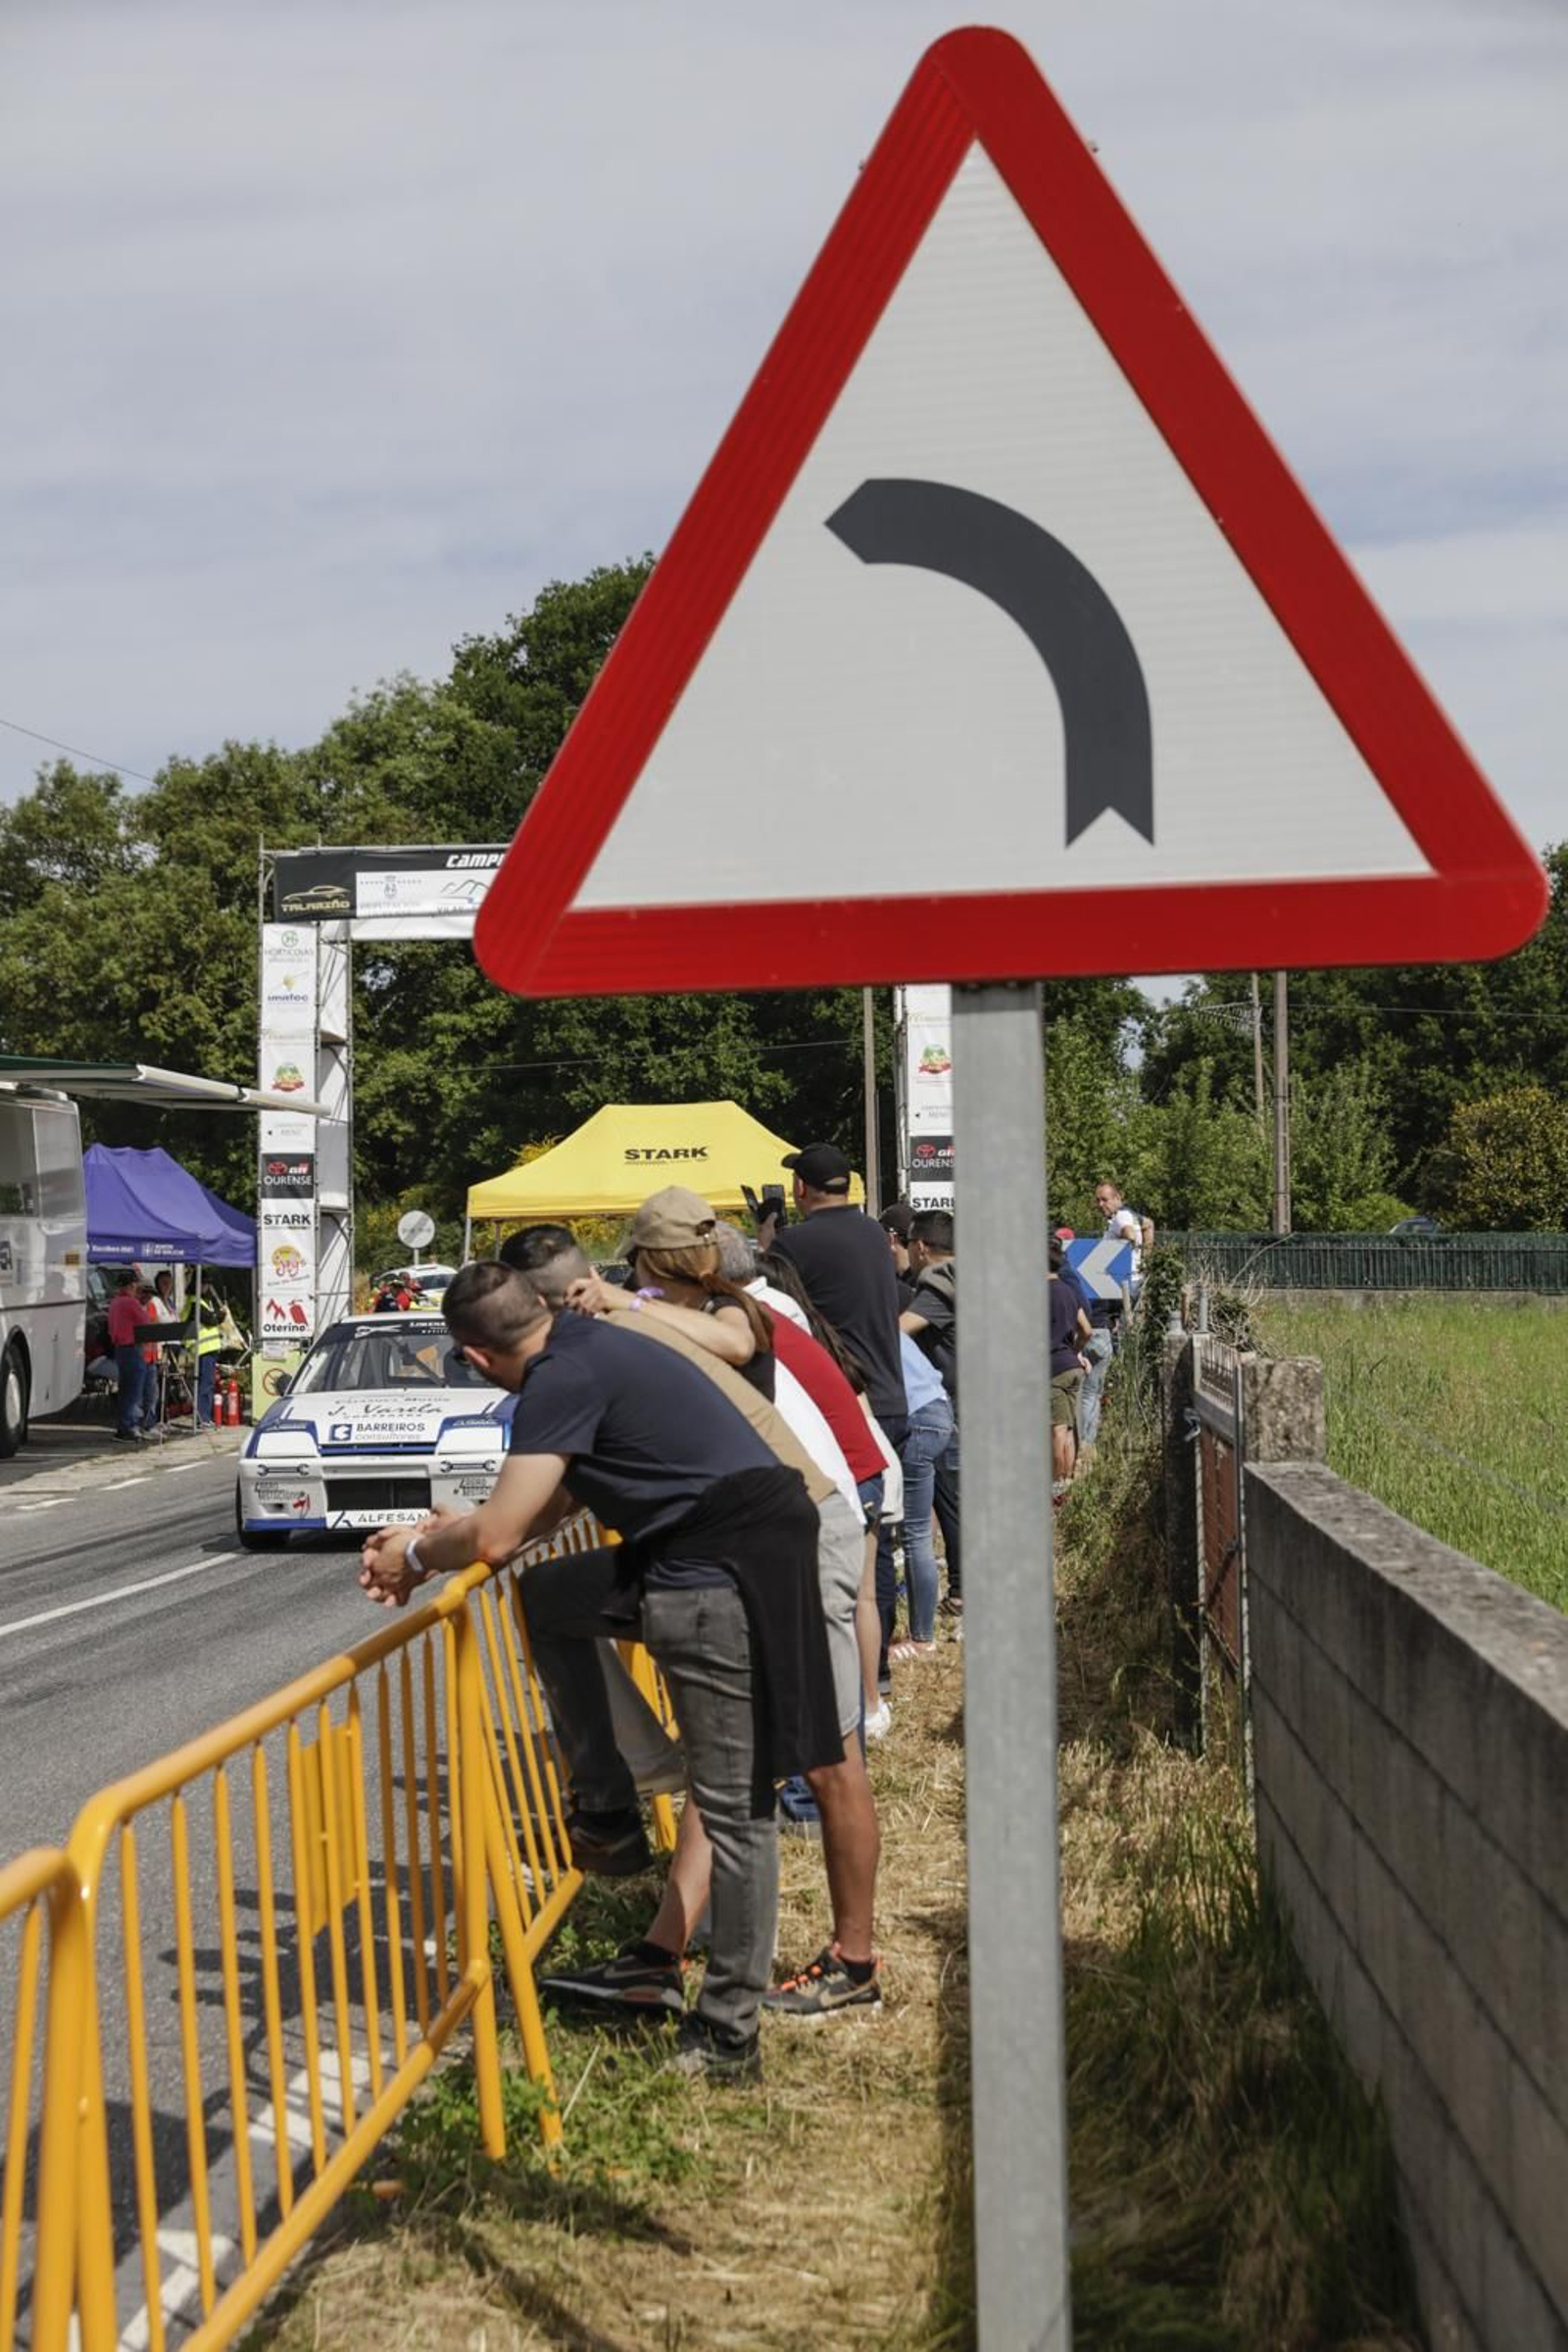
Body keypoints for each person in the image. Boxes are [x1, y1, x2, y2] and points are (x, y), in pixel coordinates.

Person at [361, 1258, 844, 2082]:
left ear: (476, 1359)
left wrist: (414, 1552)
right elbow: (543, 1508)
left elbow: (500, 1537)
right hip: (734, 1537)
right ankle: (611, 1805)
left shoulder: (559, 1378)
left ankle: (729, 2032)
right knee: (551, 1596)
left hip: (719, 1569)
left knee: (733, 1807)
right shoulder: (589, 1342)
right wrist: (462, 1531)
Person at [503, 1222, 885, 2025]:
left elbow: (733, 1341)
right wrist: (486, 1530)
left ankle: (853, 1962)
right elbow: (564, 1489)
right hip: (751, 1539)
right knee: (728, 1754)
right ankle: (658, 1953)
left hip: (796, 1535)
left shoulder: (659, 1323)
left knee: (827, 1759)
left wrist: (475, 1535)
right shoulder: (622, 1334)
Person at [900, 1210, 961, 1618]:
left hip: (958, 1403)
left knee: (954, 1499)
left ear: (920, 1246)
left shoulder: (940, 1286)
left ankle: (963, 1590)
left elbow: (895, 1331)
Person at [1054, 1227, 1114, 1461]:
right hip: (1099, 1332)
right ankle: (1088, 1447)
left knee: (1071, 1398)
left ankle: (1072, 1454)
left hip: (1072, 1336)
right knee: (1091, 1393)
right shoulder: (1098, 1267)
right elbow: (1114, 1304)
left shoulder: (1060, 1273)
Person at [1048, 1237, 1093, 1487]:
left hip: (1052, 1368)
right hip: (1071, 1367)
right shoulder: (1069, 1291)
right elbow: (1086, 1330)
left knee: (1056, 1429)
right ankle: (1067, 1484)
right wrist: (1076, 1352)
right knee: (1067, 1427)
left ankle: (1057, 1484)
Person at [1095, 1179, 1154, 1315]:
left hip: (1123, 1284)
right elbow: (1149, 1224)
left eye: (1105, 1200)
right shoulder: (1130, 1214)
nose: (1100, 1204)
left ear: (1117, 1198)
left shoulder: (1120, 1217)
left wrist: (1115, 1246)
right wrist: (1145, 1259)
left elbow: (1130, 1235)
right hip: (1134, 1280)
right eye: (1098, 1200)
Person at [107, 1269, 146, 1442]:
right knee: (134, 1390)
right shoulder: (131, 1303)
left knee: (125, 1388)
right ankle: (128, 1425)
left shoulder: (114, 1302)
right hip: (131, 1347)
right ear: (132, 1285)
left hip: (119, 1349)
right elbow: (145, 1321)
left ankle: (123, 1425)